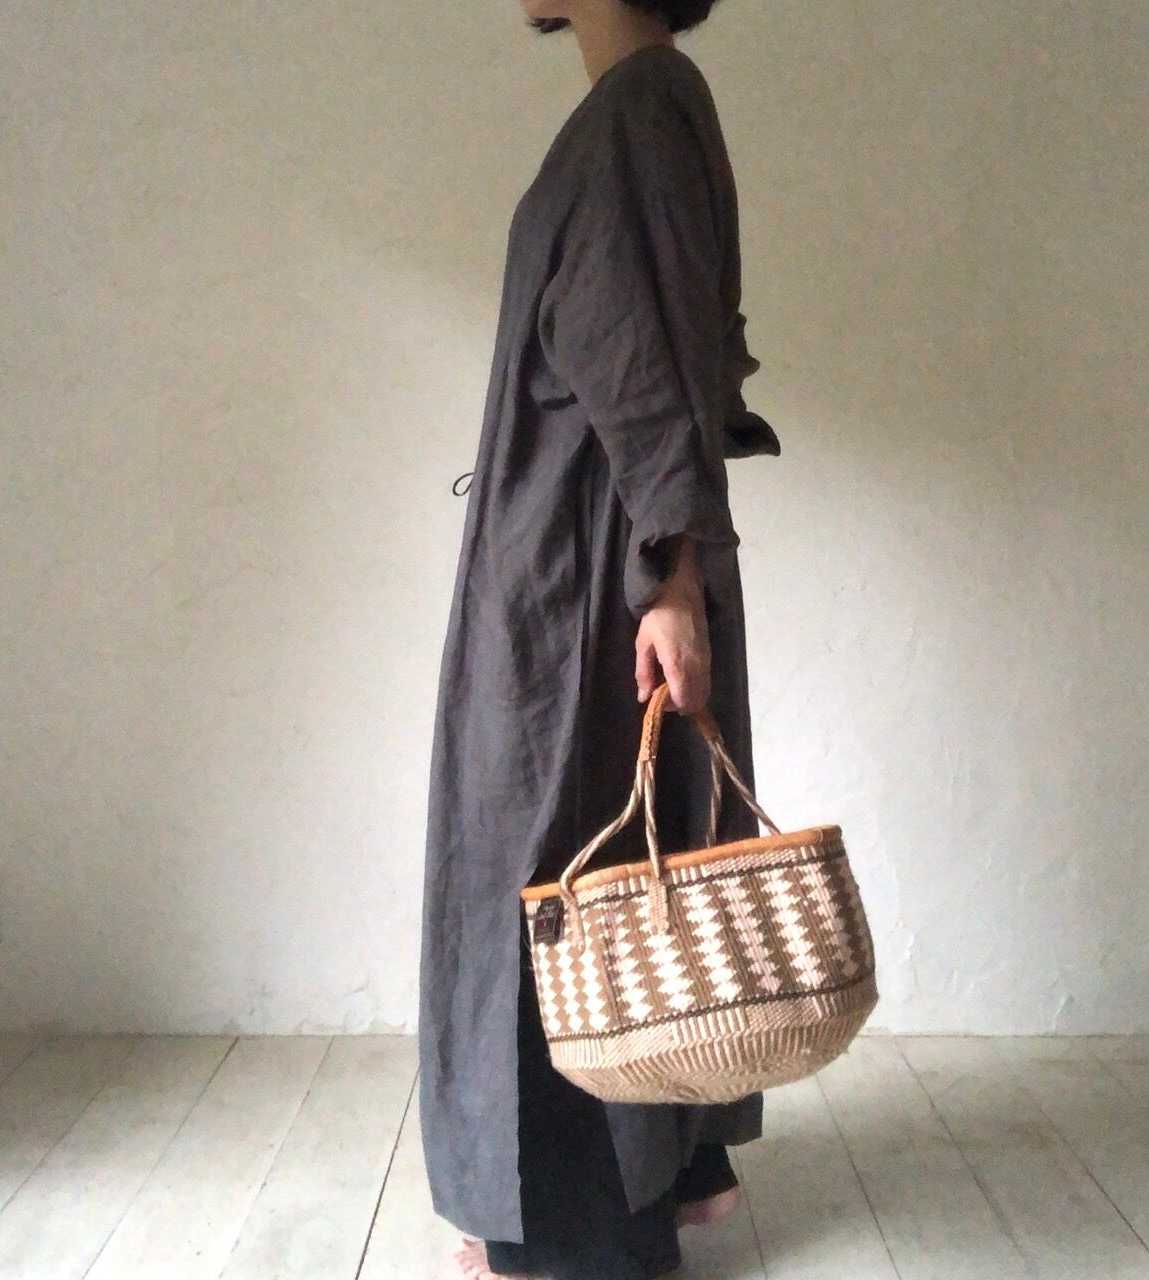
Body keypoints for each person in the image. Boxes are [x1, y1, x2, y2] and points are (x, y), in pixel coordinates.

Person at [419, 2, 781, 1276]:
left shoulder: (636, 112)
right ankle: (671, 1168)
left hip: (583, 572)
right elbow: (677, 347)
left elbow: (641, 361)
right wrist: (673, 564)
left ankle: (580, 1226)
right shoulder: (648, 104)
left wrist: (665, 576)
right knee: (630, 847)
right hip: (594, 549)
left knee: (559, 872)